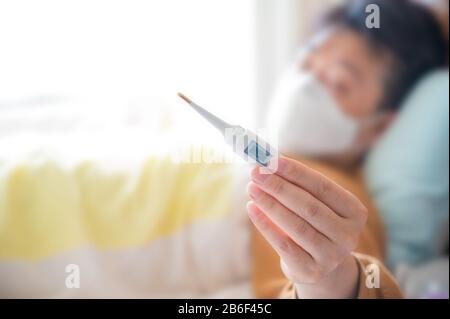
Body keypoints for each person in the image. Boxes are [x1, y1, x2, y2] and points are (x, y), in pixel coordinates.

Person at [247, 0, 447, 298]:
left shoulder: (331, 206)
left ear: (378, 127)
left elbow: (349, 278)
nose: (305, 85)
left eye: (339, 83)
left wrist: (332, 283)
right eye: (305, 64)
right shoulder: (267, 161)